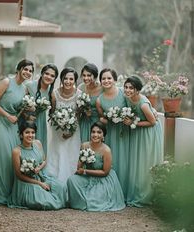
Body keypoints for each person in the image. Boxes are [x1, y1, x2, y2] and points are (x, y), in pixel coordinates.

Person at [0, 59, 34, 205]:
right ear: (18, 69)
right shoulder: (6, 82)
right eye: (25, 69)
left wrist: (28, 110)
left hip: (13, 124)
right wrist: (7, 116)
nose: (28, 73)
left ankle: (8, 191)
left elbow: (19, 109)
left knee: (10, 157)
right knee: (0, 156)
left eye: (31, 71)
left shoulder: (25, 88)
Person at [67, 121, 126, 211]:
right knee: (71, 180)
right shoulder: (84, 145)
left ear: (103, 135)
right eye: (93, 132)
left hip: (103, 179)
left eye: (99, 132)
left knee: (94, 199)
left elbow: (105, 172)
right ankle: (81, 202)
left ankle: (88, 200)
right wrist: (83, 157)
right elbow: (79, 168)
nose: (95, 135)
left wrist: (85, 171)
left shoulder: (106, 150)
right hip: (87, 176)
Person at [123, 75, 163, 207]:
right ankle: (136, 190)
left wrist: (133, 122)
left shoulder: (143, 104)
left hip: (148, 133)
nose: (128, 90)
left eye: (131, 88)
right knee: (136, 161)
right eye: (126, 87)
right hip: (138, 132)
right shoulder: (128, 99)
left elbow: (152, 122)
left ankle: (147, 193)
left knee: (145, 162)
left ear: (137, 90)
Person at [8, 121, 67, 210]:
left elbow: (44, 160)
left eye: (33, 132)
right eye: (27, 132)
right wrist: (39, 184)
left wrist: (39, 168)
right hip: (26, 182)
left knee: (61, 187)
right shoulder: (16, 151)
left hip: (41, 176)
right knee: (45, 202)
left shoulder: (38, 143)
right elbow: (19, 175)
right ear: (21, 135)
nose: (30, 135)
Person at [96, 68, 130, 198]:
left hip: (124, 133)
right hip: (110, 134)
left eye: (109, 78)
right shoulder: (100, 100)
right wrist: (105, 119)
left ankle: (125, 192)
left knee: (125, 161)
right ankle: (113, 192)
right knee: (112, 161)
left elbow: (133, 107)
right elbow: (102, 118)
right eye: (103, 78)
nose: (106, 81)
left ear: (115, 80)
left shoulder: (123, 93)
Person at [46, 67, 82, 184]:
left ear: (75, 80)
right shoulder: (54, 94)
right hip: (57, 131)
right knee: (57, 155)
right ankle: (56, 183)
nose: (68, 81)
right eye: (65, 78)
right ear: (61, 79)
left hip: (74, 131)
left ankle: (72, 183)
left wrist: (71, 130)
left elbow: (79, 114)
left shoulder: (79, 94)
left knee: (72, 156)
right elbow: (52, 113)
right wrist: (59, 124)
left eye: (71, 79)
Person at [26, 64, 58, 154]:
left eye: (52, 76)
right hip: (26, 121)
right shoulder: (29, 86)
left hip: (40, 123)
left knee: (38, 149)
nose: (49, 77)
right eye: (46, 74)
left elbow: (53, 112)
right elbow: (20, 105)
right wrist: (26, 114)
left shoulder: (51, 94)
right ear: (42, 73)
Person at [78, 63, 102, 143]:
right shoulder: (80, 88)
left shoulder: (102, 88)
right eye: (84, 75)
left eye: (89, 75)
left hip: (98, 122)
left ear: (95, 76)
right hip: (84, 123)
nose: (86, 78)